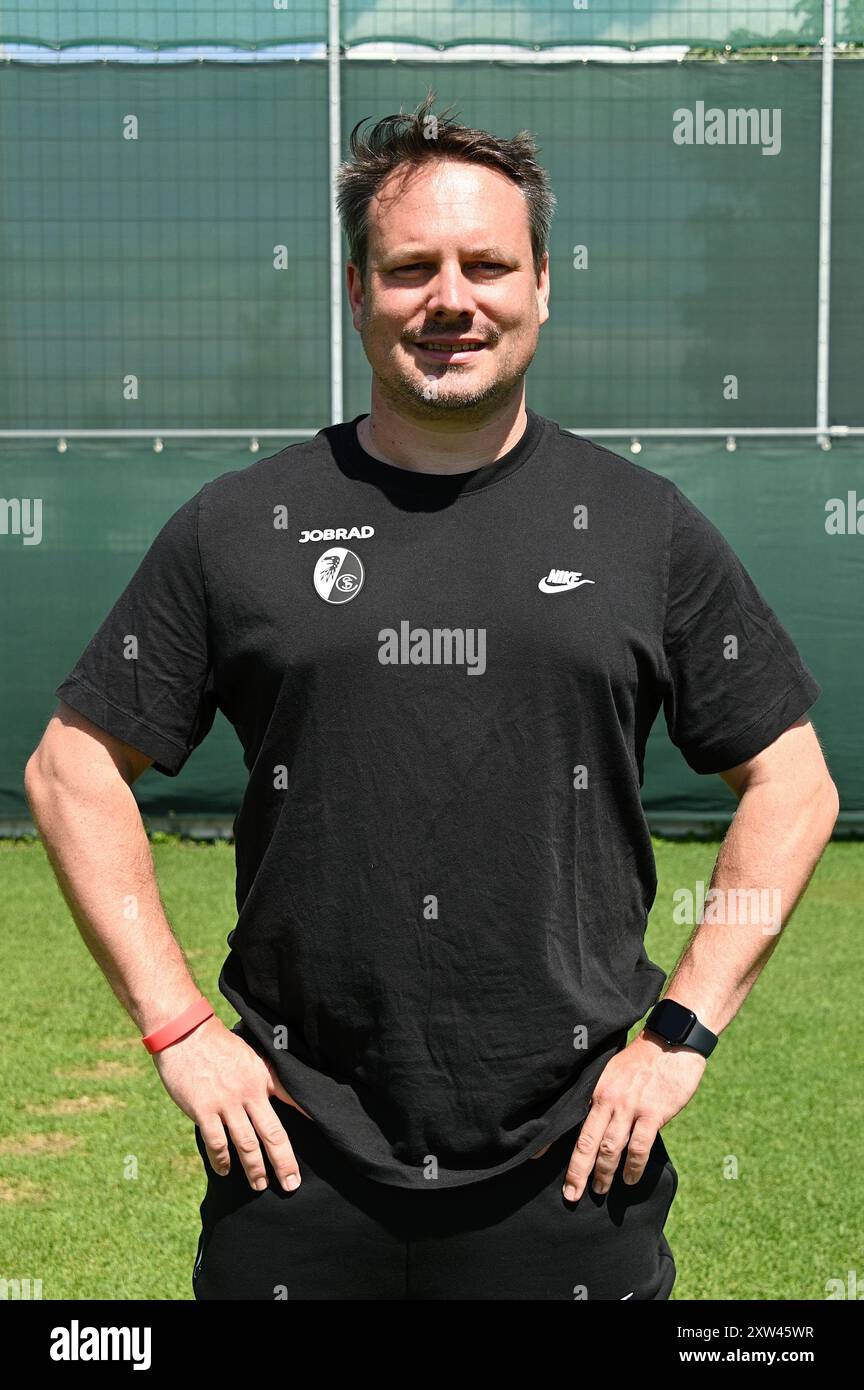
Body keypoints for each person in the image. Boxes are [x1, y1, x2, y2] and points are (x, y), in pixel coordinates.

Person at [25, 93, 838, 1301]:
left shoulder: (640, 526)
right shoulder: (243, 526)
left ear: (543, 287)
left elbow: (792, 778)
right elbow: (69, 767)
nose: (450, 298)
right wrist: (181, 1027)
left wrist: (680, 1032)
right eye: (411, 267)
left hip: (572, 1166)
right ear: (357, 291)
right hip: (292, 1159)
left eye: (487, 264)